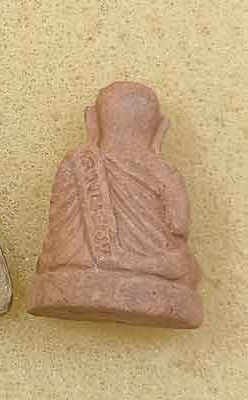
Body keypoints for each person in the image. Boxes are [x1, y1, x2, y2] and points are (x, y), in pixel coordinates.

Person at [29, 82, 203, 328]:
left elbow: (59, 226)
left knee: (50, 260)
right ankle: (135, 270)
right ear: (160, 128)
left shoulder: (75, 163)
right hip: (153, 271)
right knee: (185, 267)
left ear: (92, 121)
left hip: (73, 269)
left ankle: (87, 269)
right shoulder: (163, 171)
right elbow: (179, 224)